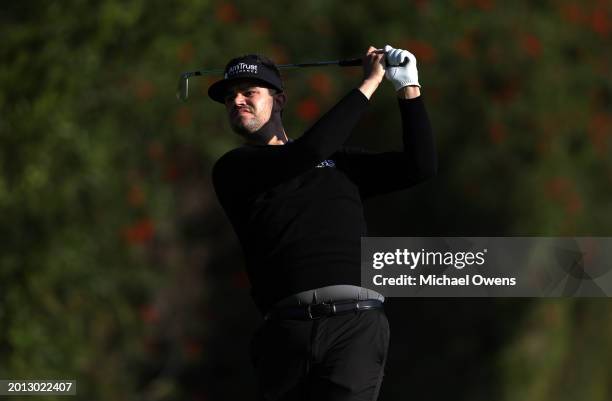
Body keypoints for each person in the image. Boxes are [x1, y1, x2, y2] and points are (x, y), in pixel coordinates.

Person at [209, 45, 436, 401]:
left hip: (354, 327)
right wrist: (368, 84)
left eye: (248, 92)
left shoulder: (340, 164)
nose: (236, 101)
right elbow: (307, 153)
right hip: (286, 334)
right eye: (229, 97)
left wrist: (408, 88)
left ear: (279, 100)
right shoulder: (235, 168)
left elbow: (419, 166)